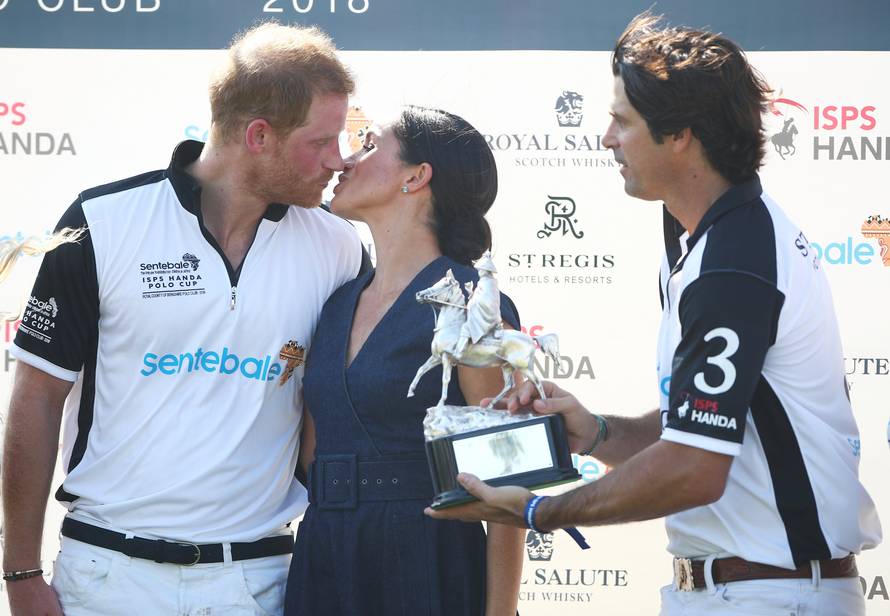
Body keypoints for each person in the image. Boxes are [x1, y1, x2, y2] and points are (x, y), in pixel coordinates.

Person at [427, 12, 882, 615]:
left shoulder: (735, 261)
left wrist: (539, 509)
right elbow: (695, 428)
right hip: (743, 590)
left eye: (622, 121)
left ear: (680, 134)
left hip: (772, 596)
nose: (606, 138)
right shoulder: (704, 239)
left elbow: (694, 468)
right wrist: (596, 432)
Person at [2, 23, 366, 615]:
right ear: (258, 136)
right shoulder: (104, 220)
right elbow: (36, 398)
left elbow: (339, 414)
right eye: (322, 142)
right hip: (106, 578)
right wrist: (19, 571)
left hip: (257, 581)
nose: (338, 159)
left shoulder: (339, 247)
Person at [284, 106, 524, 616]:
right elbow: (313, 451)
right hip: (324, 554)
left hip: (427, 559)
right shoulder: (334, 303)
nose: (345, 161)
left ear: (416, 177)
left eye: (369, 145)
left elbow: (508, 485)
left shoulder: (470, 302)